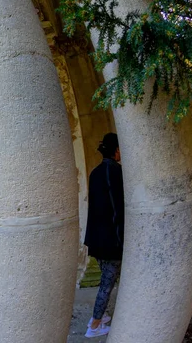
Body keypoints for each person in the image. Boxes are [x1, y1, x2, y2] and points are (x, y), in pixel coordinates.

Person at [84, 133, 125, 338]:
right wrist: (122, 240)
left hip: (97, 240)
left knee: (106, 281)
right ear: (116, 150)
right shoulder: (114, 171)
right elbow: (118, 210)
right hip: (111, 242)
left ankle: (100, 317)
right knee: (106, 285)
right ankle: (94, 325)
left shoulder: (95, 172)